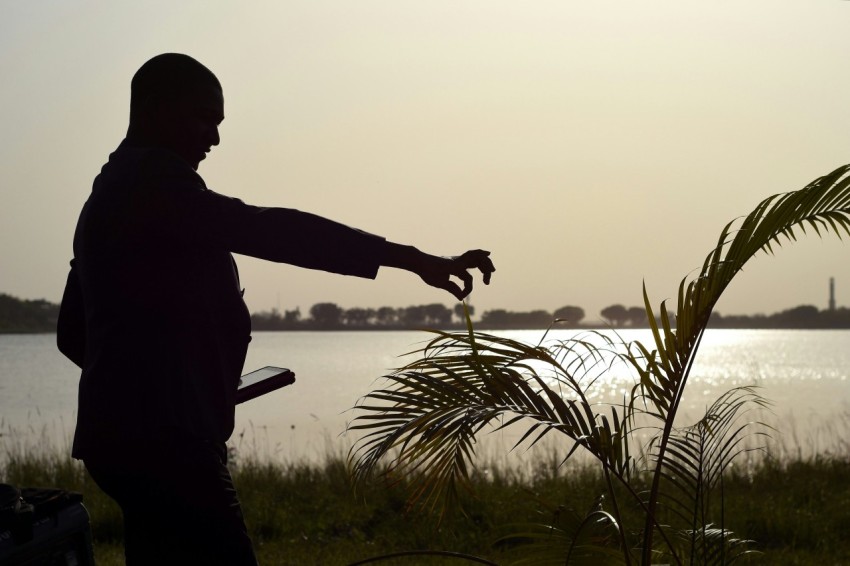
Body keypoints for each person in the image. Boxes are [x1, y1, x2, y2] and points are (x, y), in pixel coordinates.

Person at [57, 53, 495, 565]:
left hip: (133, 437)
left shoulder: (111, 193)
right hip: (168, 443)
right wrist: (410, 258)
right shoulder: (151, 185)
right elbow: (272, 230)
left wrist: (178, 383)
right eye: (204, 119)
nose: (214, 139)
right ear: (154, 110)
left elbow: (73, 332)